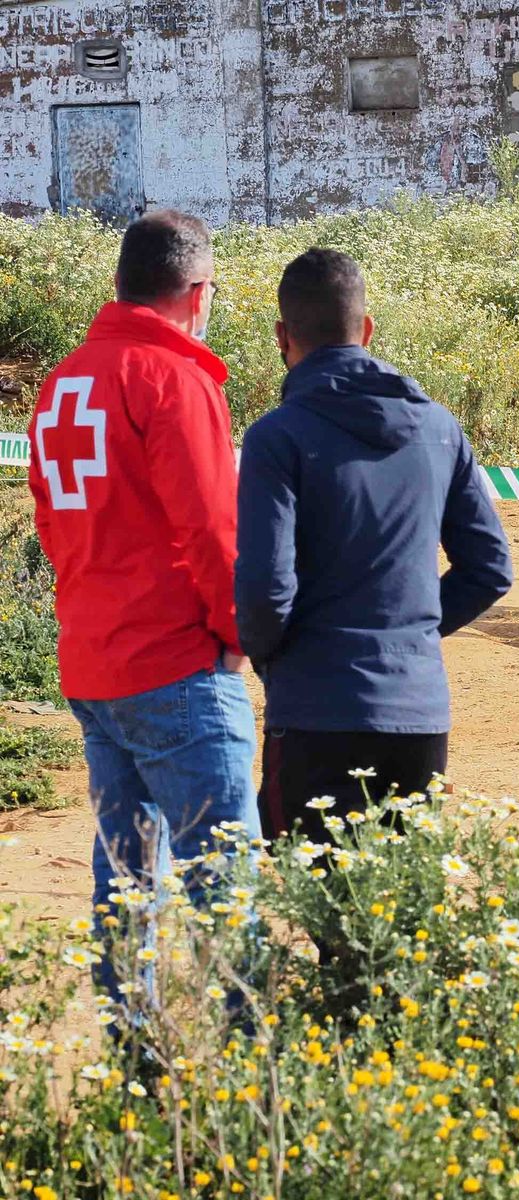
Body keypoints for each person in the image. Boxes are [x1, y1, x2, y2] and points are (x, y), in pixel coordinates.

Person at [26, 210, 258, 1003]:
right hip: (176, 666)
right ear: (197, 291)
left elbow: (52, 524)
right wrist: (237, 634)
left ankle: (136, 1073)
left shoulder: (63, 382)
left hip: (94, 662)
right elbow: (213, 527)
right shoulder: (174, 378)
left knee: (125, 880)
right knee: (230, 890)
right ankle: (248, 1084)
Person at [235, 249, 513, 842]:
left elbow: (266, 587)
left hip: (315, 711)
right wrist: (407, 633)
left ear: (282, 335)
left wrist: (272, 657)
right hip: (418, 713)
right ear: (366, 330)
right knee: (398, 918)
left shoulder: (275, 438)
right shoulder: (438, 427)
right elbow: (489, 568)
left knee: (323, 906)